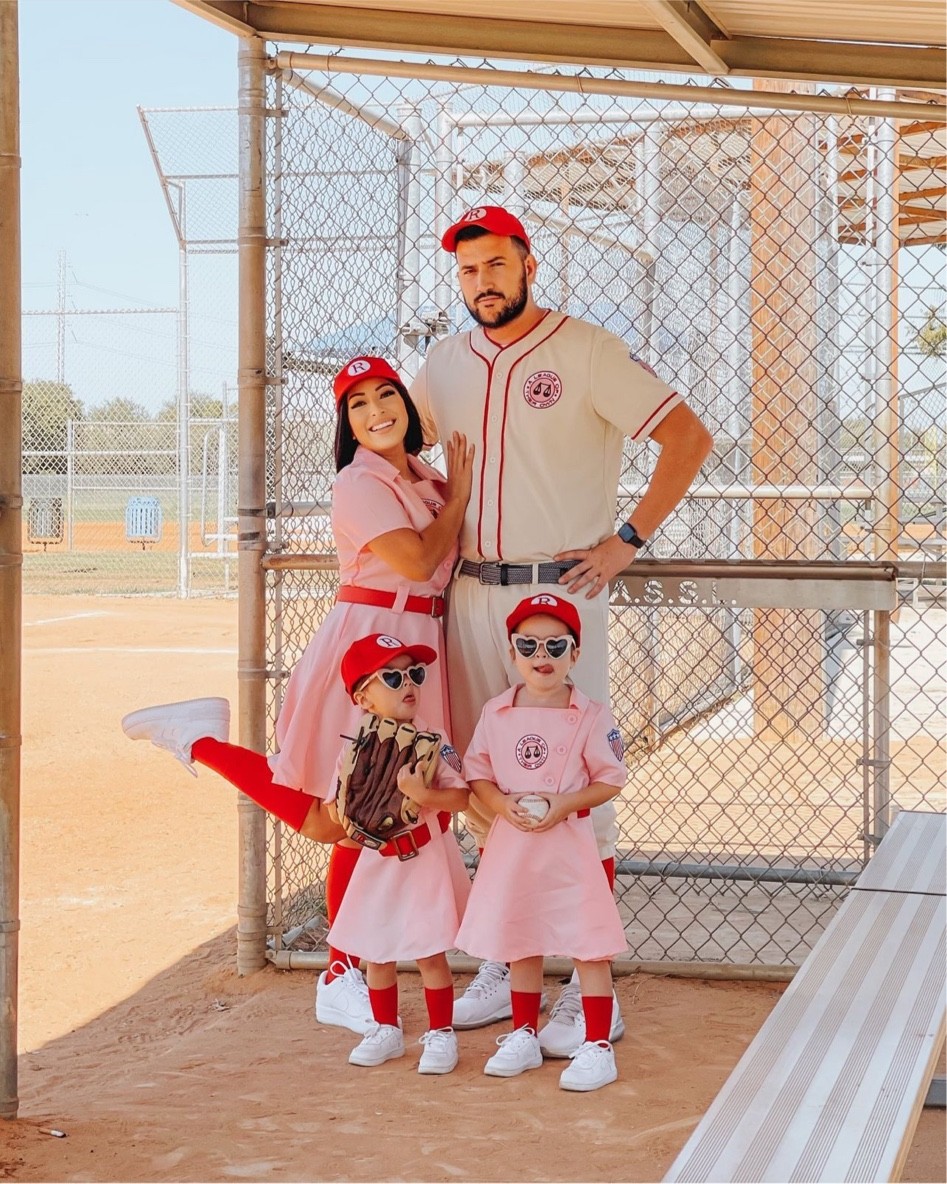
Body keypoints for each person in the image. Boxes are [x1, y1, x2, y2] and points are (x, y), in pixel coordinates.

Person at [410, 204, 714, 1047]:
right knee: (486, 784)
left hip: (560, 596)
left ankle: (589, 989)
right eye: (469, 271)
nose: (483, 282)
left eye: (497, 265)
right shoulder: (442, 363)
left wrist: (627, 542)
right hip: (470, 594)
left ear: (528, 264)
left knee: (578, 787)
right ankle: (509, 965)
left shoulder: (582, 349)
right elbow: (390, 445)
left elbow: (689, 437)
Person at [122, 355, 474, 1036]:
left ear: (405, 402)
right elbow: (415, 560)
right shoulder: (358, 481)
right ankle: (342, 967)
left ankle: (200, 739)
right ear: (345, 424)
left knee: (370, 812)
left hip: (419, 642)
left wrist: (449, 491)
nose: (376, 411)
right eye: (357, 404)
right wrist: (459, 498)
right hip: (372, 642)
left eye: (385, 395)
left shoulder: (425, 477)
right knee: (348, 815)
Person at [455, 594, 627, 1092]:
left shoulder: (591, 714)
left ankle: (596, 1045)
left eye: (556, 644)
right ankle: (524, 1034)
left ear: (575, 653)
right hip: (516, 845)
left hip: (569, 848)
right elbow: (478, 772)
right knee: (520, 939)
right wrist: (500, 806)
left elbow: (610, 778)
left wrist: (563, 803)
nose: (541, 654)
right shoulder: (497, 711)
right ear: (513, 653)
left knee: (589, 945)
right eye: (527, 644)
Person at [327, 633, 471, 1074]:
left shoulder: (434, 739)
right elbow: (340, 811)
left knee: (429, 954)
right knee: (377, 952)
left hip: (424, 859)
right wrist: (347, 813)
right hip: (378, 861)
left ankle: (441, 1033)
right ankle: (386, 1029)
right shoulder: (355, 749)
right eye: (391, 676)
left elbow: (462, 798)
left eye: (415, 674)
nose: (408, 683)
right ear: (363, 698)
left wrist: (420, 792)